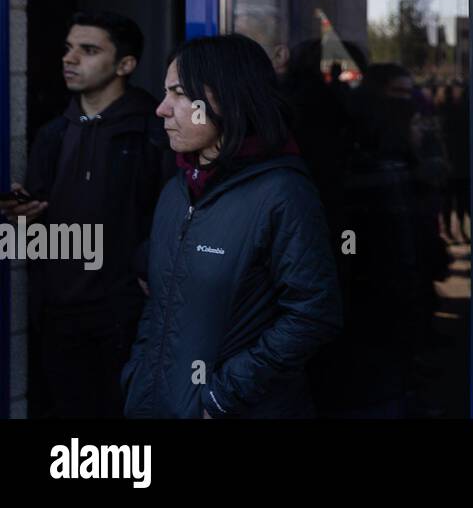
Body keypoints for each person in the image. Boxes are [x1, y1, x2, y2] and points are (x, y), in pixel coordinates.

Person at [121, 33, 343, 418]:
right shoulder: (177, 190)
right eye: (165, 93)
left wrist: (224, 395)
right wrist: (138, 375)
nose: (161, 109)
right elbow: (160, 303)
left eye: (178, 93)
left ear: (227, 97)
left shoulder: (282, 193)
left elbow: (313, 315)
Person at [0, 11, 171, 418]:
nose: (69, 59)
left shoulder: (153, 131)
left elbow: (171, 216)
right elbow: (34, 231)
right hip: (58, 313)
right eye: (68, 48)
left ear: (125, 65)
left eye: (88, 50)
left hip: (124, 314)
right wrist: (21, 218)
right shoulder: (53, 133)